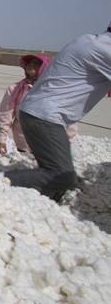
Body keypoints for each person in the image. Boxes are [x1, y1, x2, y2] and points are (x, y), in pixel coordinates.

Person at [6, 22, 111, 201]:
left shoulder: (88, 40)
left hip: (40, 113)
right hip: (45, 117)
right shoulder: (103, 50)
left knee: (58, 176)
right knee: (62, 175)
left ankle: (39, 206)